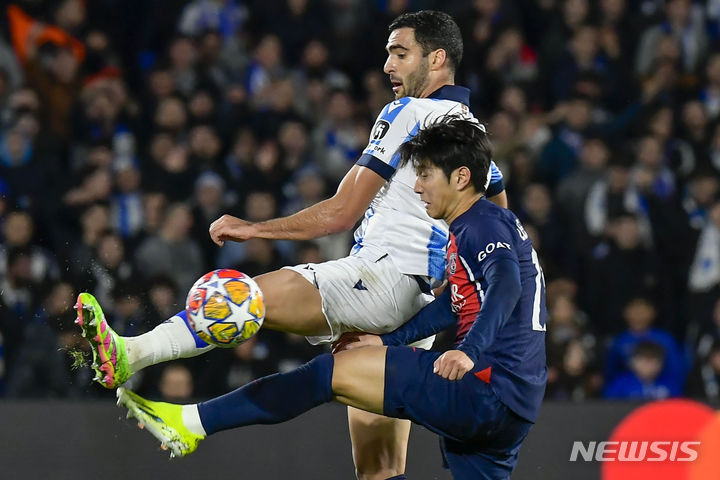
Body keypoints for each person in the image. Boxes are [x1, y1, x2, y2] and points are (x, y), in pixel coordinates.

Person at [76, 11, 507, 480]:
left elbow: (343, 211)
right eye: (387, 53)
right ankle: (184, 413)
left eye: (400, 54)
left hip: (383, 278)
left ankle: (134, 354)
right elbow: (500, 222)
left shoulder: (409, 113)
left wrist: (256, 229)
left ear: (437, 58)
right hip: (418, 310)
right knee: (380, 469)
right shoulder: (472, 131)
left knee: (241, 297)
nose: (388, 65)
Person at [113, 117, 547, 480]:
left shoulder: (480, 226)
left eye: (427, 175)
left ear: (462, 177)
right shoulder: (489, 224)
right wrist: (386, 342)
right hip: (515, 408)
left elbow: (506, 284)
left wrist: (468, 352)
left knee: (327, 374)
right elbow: (456, 300)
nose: (417, 188)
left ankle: (192, 423)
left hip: (484, 389)